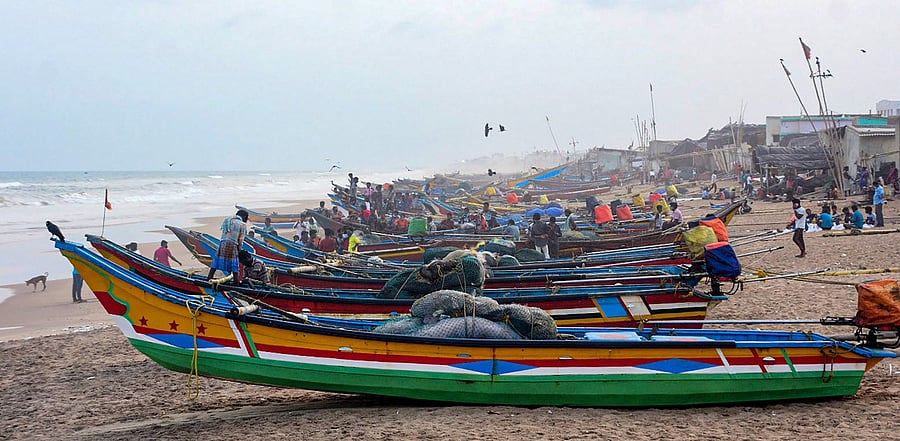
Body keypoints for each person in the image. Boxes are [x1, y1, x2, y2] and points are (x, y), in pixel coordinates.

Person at [207, 209, 248, 280]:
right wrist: (239, 250)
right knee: (234, 264)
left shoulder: (227, 221)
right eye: (246, 218)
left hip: (223, 243)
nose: (246, 220)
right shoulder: (242, 225)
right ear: (244, 217)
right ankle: (236, 282)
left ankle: (209, 277)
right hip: (233, 244)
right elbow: (240, 240)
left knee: (217, 261)